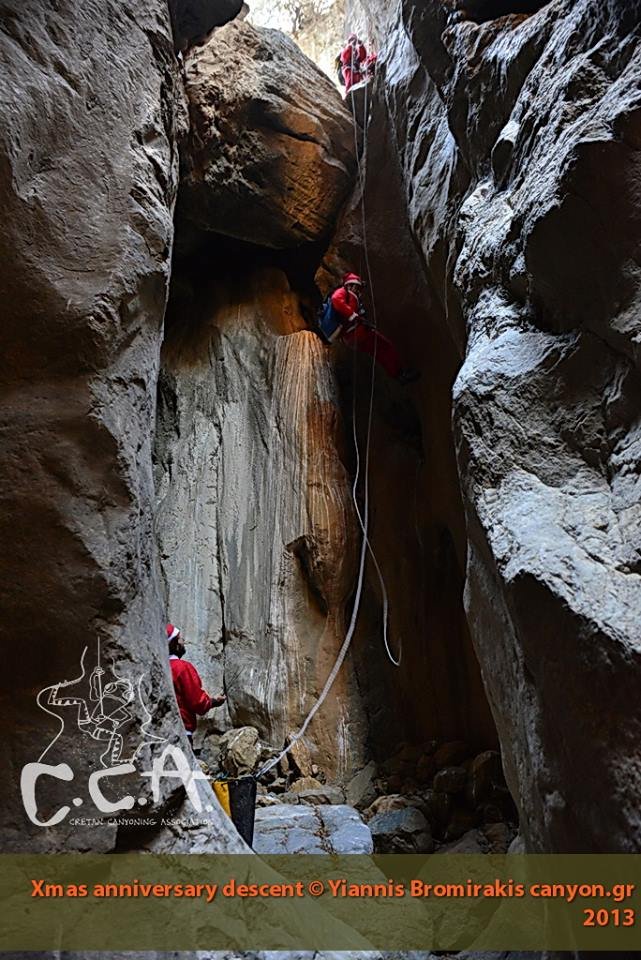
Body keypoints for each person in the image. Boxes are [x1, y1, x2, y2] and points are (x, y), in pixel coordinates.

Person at [329, 273, 419, 384]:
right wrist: (353, 315)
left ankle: (398, 374)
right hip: (357, 333)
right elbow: (335, 299)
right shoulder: (343, 291)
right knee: (386, 347)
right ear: (350, 285)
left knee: (380, 352)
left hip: (354, 336)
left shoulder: (352, 297)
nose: (358, 290)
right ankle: (400, 374)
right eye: (357, 286)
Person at [167, 623, 226, 737]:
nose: (183, 642)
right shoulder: (182, 667)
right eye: (180, 639)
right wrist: (213, 702)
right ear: (175, 644)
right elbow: (197, 702)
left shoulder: (161, 666)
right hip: (182, 731)